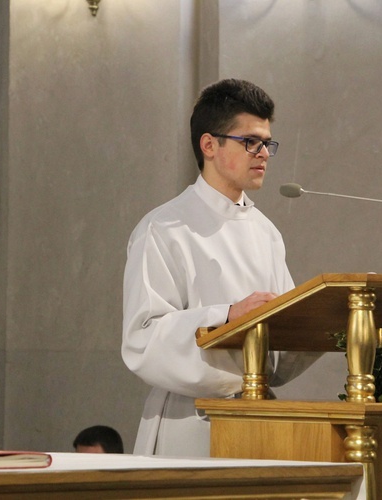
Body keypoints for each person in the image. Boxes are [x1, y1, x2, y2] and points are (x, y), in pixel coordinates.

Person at [121, 78, 310, 457]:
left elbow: (281, 349)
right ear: (209, 145)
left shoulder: (265, 232)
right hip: (190, 424)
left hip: (258, 418)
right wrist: (227, 316)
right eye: (250, 142)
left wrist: (323, 323)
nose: (263, 154)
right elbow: (141, 339)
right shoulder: (164, 227)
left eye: (267, 143)